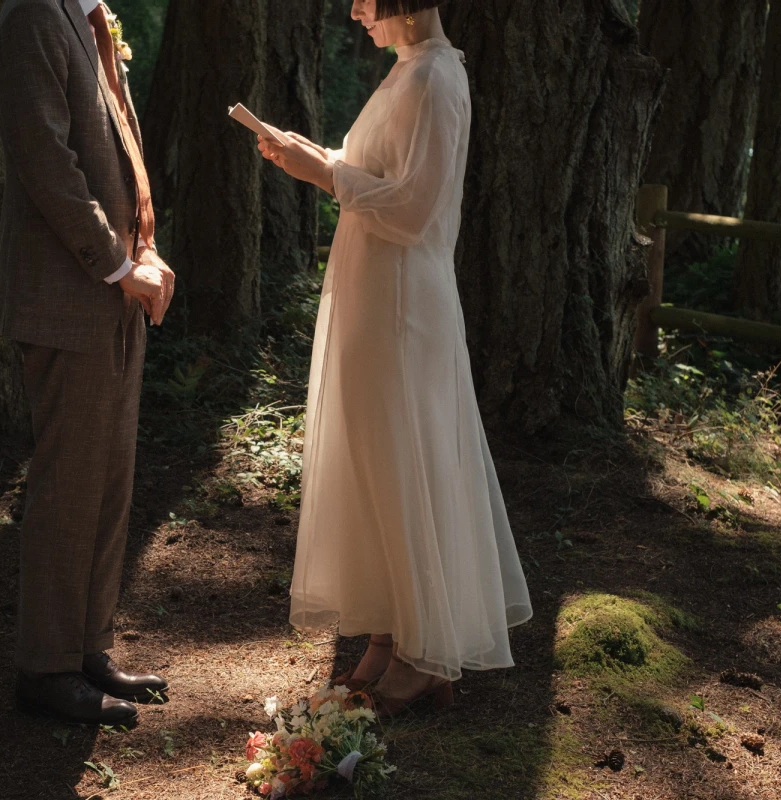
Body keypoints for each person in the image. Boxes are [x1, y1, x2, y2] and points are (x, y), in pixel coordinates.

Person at [258, 0, 533, 716]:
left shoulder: (438, 77)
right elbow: (380, 172)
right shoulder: (407, 71)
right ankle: (387, 632)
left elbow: (415, 208)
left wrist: (323, 175)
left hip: (405, 305)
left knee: (404, 461)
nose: (354, 11)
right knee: (375, 464)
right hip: (373, 294)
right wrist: (317, 157)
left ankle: (423, 654)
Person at [0, 0, 176, 726]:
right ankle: (46, 667)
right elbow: (46, 161)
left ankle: (88, 647)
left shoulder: (84, 13)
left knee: (109, 482)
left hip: (115, 294)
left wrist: (148, 250)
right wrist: (115, 263)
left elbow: (120, 146)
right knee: (69, 487)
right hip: (69, 296)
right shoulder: (32, 17)